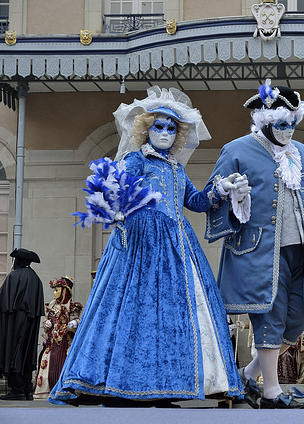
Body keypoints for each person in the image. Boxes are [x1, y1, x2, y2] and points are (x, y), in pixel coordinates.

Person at [49, 86, 248, 406]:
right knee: (133, 310)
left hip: (176, 248)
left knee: (173, 315)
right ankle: (121, 382)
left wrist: (219, 189)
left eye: (172, 128)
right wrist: (113, 210)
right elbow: (112, 192)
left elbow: (194, 203)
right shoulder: (134, 161)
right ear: (146, 128)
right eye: (159, 126)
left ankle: (168, 384)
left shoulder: (176, 169)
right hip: (139, 244)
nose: (166, 133)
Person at [204, 79, 304, 409]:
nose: (288, 129)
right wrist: (228, 191)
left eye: (293, 123)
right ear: (265, 120)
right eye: (281, 124)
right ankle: (272, 391)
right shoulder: (236, 150)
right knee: (271, 316)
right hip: (259, 250)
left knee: (299, 317)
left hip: (301, 251)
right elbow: (210, 197)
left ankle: (246, 376)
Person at [0, 248, 44, 401]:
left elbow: (3, 303)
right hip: (30, 323)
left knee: (14, 351)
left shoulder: (14, 276)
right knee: (26, 352)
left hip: (15, 323)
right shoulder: (36, 278)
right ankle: (26, 389)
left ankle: (17, 389)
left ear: (18, 261)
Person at [33, 276, 83, 400]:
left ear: (65, 291)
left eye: (57, 290)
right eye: (54, 290)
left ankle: (63, 390)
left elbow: (78, 320)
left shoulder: (72, 306)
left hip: (66, 342)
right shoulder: (51, 305)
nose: (55, 293)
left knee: (63, 366)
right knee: (48, 369)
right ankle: (47, 390)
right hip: (52, 342)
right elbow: (47, 321)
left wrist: (74, 323)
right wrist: (47, 324)